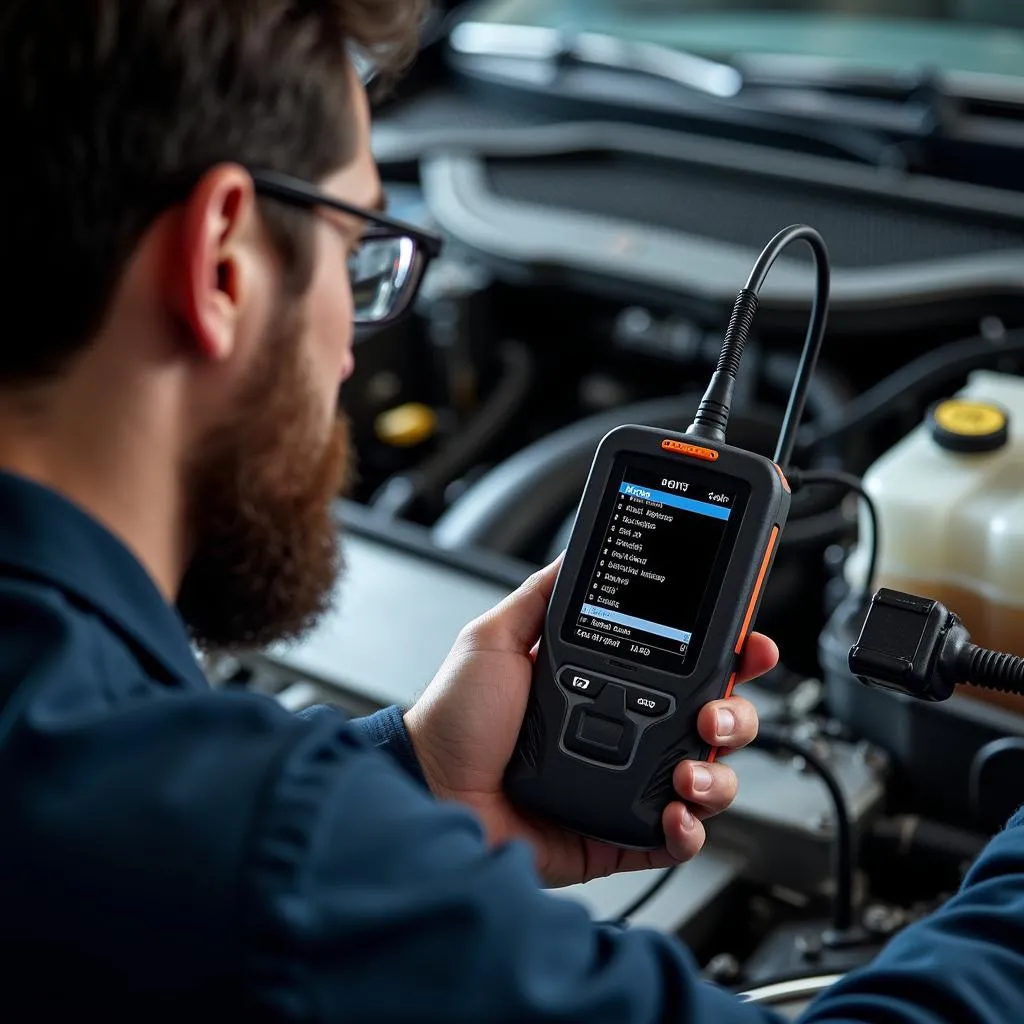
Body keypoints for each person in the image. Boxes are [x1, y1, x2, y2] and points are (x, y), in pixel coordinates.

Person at [0, 3, 1021, 1022]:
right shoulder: (257, 856)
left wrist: (416, 776)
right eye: (363, 260)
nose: (355, 347)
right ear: (223, 262)